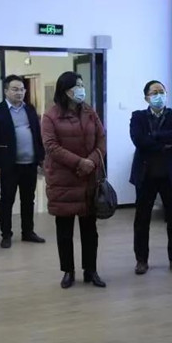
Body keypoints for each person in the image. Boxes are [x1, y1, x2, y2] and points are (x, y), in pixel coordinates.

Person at [41, 71, 106, 289]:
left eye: (82, 84)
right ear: (65, 90)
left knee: (90, 230)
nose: (81, 89)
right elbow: (51, 146)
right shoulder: (51, 116)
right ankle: (68, 271)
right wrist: (79, 162)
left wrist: (92, 161)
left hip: (89, 179)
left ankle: (91, 270)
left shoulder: (89, 112)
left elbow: (101, 139)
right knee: (64, 231)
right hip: (63, 179)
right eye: (77, 85)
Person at [130, 80, 172, 275]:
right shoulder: (138, 116)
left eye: (161, 91)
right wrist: (164, 142)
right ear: (146, 97)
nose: (158, 96)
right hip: (145, 174)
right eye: (154, 92)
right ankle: (141, 260)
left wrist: (153, 136)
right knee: (142, 220)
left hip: (170, 175)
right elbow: (139, 140)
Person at [0, 74, 46, 249]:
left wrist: (41, 158)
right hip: (8, 165)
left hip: (29, 163)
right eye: (14, 89)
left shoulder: (30, 109)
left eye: (21, 89)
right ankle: (6, 234)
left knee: (28, 200)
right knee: (7, 200)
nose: (19, 92)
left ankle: (28, 232)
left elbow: (38, 135)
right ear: (6, 91)